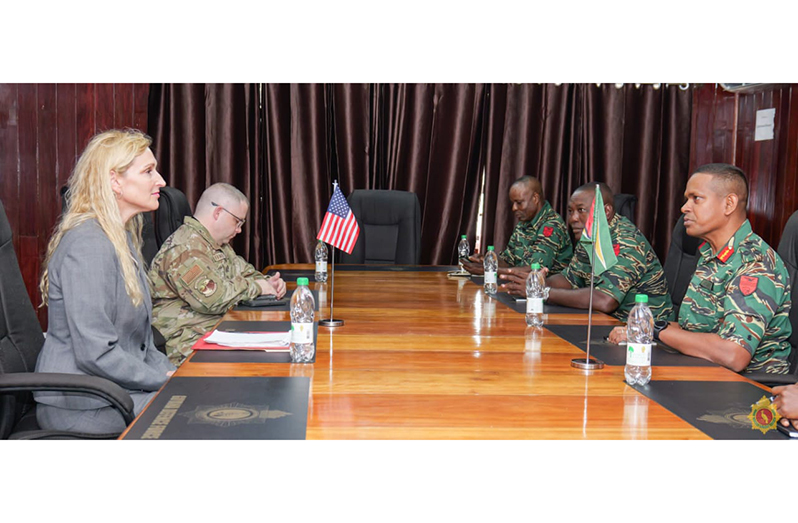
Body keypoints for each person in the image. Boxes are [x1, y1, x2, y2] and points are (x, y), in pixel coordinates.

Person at [34, 129, 176, 435]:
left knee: (197, 401)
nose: (161, 181)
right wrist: (163, 380)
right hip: (83, 403)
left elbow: (141, 343)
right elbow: (95, 354)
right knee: (192, 417)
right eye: (148, 171)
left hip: (113, 391)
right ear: (115, 181)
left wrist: (173, 373)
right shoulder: (88, 244)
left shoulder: (121, 237)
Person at [608, 164, 792, 374]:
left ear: (729, 204)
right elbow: (694, 331)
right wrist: (640, 329)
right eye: (687, 199)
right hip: (702, 371)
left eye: (696, 198)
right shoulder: (711, 254)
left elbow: (733, 354)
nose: (684, 207)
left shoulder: (755, 263)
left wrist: (654, 331)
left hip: (749, 388)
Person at [148, 183, 286, 366]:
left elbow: (247, 272)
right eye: (238, 221)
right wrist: (258, 287)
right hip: (188, 343)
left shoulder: (215, 245)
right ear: (218, 212)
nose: (239, 230)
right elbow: (213, 300)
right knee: (266, 365)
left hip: (218, 331)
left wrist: (268, 282)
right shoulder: (184, 249)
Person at [499, 182, 673, 322]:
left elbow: (605, 301)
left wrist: (543, 292)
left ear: (606, 211)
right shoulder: (589, 235)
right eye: (570, 211)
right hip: (607, 325)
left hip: (646, 333)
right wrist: (537, 283)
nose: (573, 218)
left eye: (581, 210)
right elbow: (570, 278)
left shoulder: (626, 240)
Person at [462, 175, 572, 275]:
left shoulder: (551, 226)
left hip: (544, 293)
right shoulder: (523, 223)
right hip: (522, 290)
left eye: (519, 203)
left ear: (535, 198)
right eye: (513, 203)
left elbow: (535, 269)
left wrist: (490, 269)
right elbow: (508, 261)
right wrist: (486, 261)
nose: (514, 208)